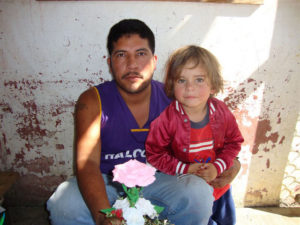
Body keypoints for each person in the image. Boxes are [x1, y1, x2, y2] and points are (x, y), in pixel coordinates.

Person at [47, 19, 241, 225]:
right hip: (107, 181)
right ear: (110, 62)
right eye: (121, 55)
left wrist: (232, 165)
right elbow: (88, 165)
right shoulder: (93, 101)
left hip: (160, 180)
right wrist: (104, 215)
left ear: (154, 60)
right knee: (64, 204)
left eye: (141, 54)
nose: (132, 64)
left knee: (198, 193)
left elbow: (215, 138)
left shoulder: (175, 97)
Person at [145, 45, 244, 208]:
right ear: (172, 85)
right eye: (181, 80)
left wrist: (217, 167)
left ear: (213, 85)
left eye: (199, 79)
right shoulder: (166, 119)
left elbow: (234, 143)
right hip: (185, 185)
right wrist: (186, 169)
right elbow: (155, 154)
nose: (190, 87)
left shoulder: (221, 112)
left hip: (218, 184)